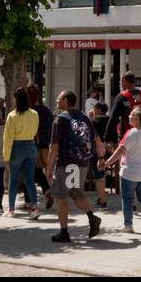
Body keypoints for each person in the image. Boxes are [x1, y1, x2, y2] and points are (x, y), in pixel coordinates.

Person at [47, 90, 100, 243]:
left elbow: (54, 147)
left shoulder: (60, 119)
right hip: (82, 162)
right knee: (75, 193)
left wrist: (49, 168)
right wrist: (101, 157)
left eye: (59, 98)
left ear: (65, 99)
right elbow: (96, 140)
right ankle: (92, 217)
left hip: (67, 164)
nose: (57, 100)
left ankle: (64, 232)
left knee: (61, 197)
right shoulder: (84, 117)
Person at [103, 105, 141, 235]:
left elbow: (121, 150)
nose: (129, 117)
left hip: (130, 172)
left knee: (127, 198)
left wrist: (107, 162)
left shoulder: (132, 133)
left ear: (137, 119)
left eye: (131, 115)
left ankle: (128, 225)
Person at [3, 88, 41, 219]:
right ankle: (34, 208)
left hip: (17, 146)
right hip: (31, 145)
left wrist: (6, 156)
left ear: (15, 99)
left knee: (13, 179)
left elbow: (8, 138)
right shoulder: (34, 114)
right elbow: (35, 130)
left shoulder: (12, 116)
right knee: (29, 180)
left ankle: (11, 209)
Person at [105, 73, 141, 145]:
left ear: (124, 81)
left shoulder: (121, 97)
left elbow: (113, 119)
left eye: (121, 82)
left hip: (127, 136)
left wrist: (107, 138)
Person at [27, 84, 54, 209]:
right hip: (44, 146)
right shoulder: (46, 111)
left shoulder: (27, 111)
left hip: (29, 144)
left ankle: (29, 201)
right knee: (37, 170)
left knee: (28, 172)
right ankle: (47, 190)